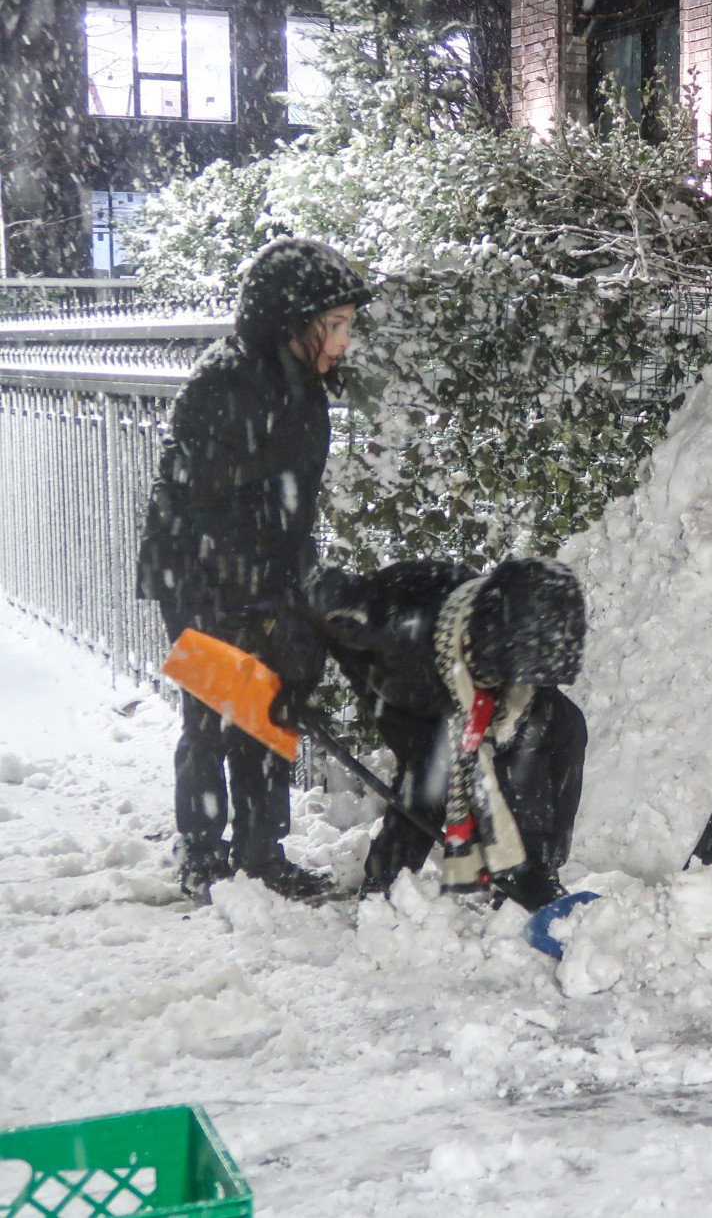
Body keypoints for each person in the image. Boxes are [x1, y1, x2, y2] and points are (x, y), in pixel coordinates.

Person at [138, 237, 369, 901]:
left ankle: (262, 852)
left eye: (349, 325)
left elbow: (291, 505)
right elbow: (199, 498)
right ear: (291, 319)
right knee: (213, 713)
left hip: (264, 573)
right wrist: (242, 586)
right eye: (336, 324)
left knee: (270, 710)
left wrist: (293, 583)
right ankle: (205, 855)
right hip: (200, 572)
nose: (344, 341)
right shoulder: (228, 383)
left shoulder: (302, 389)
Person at [305, 558, 588, 910]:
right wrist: (293, 685)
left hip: (470, 669)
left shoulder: (518, 632)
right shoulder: (389, 624)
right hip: (403, 686)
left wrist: (534, 860)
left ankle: (532, 871)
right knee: (430, 774)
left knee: (560, 726)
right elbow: (315, 599)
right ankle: (385, 885)